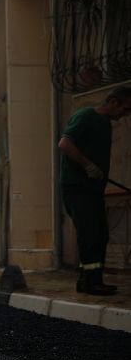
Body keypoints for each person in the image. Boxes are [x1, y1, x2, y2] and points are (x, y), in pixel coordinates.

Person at [58, 86, 131, 295]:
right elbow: (64, 143)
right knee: (90, 235)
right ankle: (90, 283)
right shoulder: (86, 116)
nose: (125, 114)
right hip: (77, 187)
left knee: (100, 235)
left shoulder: (106, 124)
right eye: (125, 109)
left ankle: (90, 279)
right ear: (113, 102)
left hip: (93, 189)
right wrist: (87, 165)